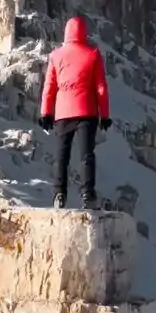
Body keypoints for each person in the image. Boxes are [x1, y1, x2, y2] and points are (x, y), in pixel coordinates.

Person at [37, 14, 111, 210]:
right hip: (87, 111)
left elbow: (49, 86)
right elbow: (101, 87)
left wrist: (46, 112)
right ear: (84, 33)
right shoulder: (92, 54)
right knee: (86, 155)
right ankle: (88, 195)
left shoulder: (55, 56)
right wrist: (105, 115)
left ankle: (59, 194)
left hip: (62, 113)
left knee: (62, 155)